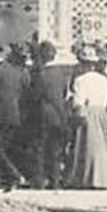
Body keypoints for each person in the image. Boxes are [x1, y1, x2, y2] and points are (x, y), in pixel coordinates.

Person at [66, 42, 107, 189]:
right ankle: (106, 178)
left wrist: (74, 105)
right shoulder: (103, 80)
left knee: (88, 146)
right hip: (101, 112)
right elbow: (105, 101)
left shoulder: (80, 80)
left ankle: (90, 178)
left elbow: (78, 101)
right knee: (103, 146)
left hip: (88, 112)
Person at [0, 44, 31, 191]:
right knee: (0, 148)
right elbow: (23, 91)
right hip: (13, 114)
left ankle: (13, 174)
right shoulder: (17, 71)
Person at [30, 41, 75, 188]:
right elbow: (63, 94)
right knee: (55, 149)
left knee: (40, 147)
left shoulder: (40, 74)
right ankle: (55, 180)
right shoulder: (61, 74)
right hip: (58, 114)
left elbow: (35, 96)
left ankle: (39, 181)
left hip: (43, 114)